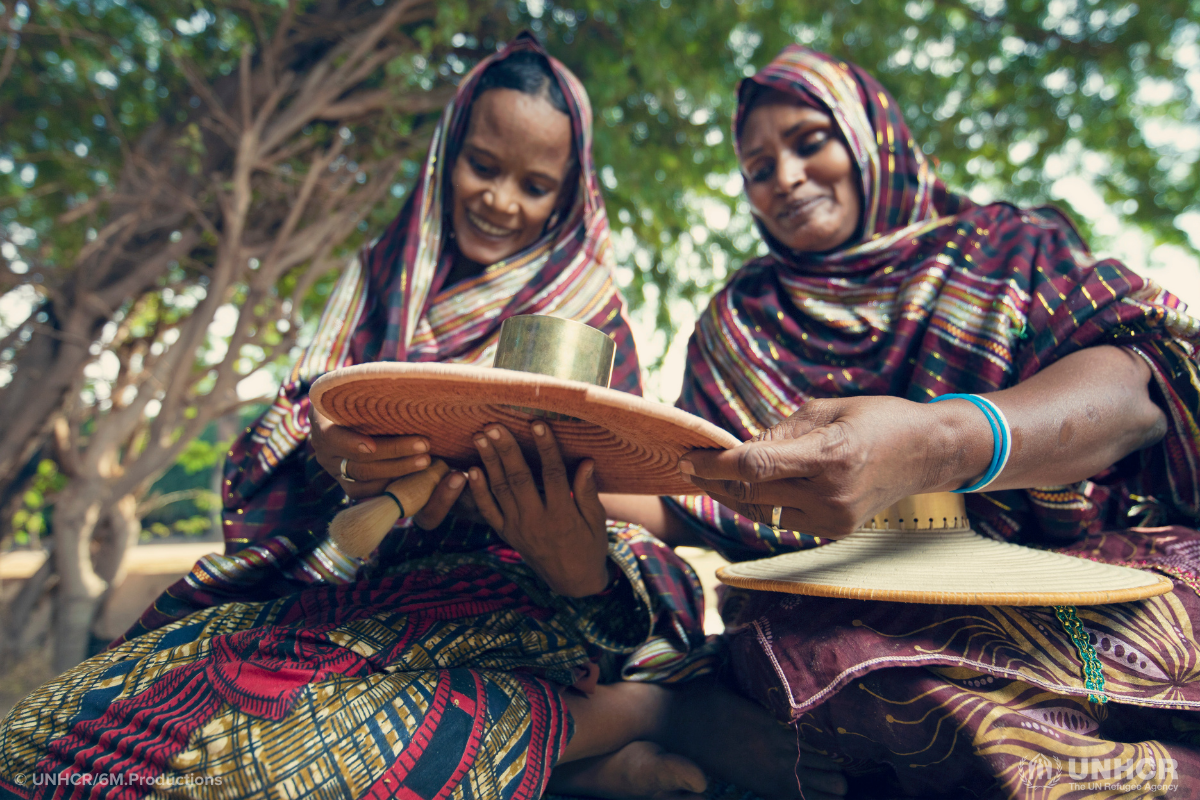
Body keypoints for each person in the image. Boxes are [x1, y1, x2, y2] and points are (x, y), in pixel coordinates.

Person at [0, 36, 793, 800]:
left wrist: (537, 496)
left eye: (535, 184)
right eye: (482, 166)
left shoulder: (588, 310)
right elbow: (287, 433)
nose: (500, 199)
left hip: (544, 586)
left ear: (569, 191)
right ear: (448, 154)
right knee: (51, 741)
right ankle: (577, 757)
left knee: (288, 757)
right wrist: (333, 450)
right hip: (372, 579)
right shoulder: (379, 277)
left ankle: (620, 718)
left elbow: (644, 493)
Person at [664, 45, 1200, 797]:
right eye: (758, 169)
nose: (784, 178)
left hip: (1075, 566)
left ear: (873, 138)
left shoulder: (1005, 247)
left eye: (810, 142)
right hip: (849, 609)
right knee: (848, 671)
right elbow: (690, 485)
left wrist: (938, 445)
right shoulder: (737, 326)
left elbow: (1140, 398)